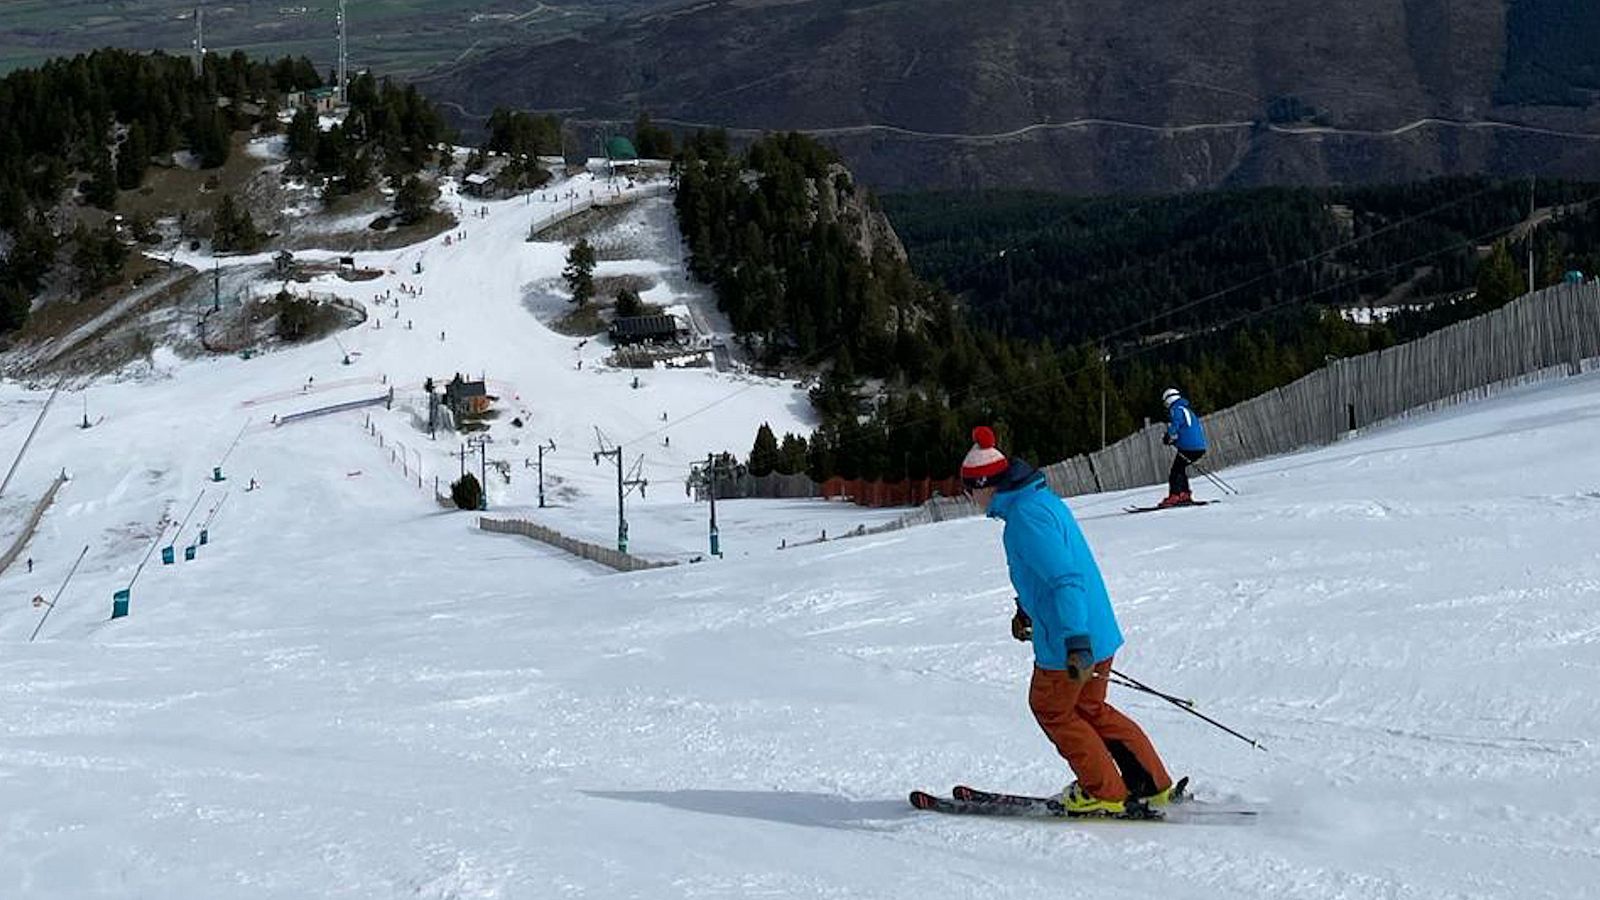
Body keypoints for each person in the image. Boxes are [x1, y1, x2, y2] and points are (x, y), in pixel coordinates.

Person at [961, 425, 1176, 815]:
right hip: (1095, 629)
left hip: (1070, 639)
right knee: (1091, 709)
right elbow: (1050, 572)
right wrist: (1027, 610)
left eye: (968, 490)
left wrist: (1076, 640)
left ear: (984, 485)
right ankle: (1151, 784)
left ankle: (1104, 792)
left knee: (1052, 708)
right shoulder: (1039, 501)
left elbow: (1065, 579)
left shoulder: (1025, 518)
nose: (969, 499)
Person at [1158, 387, 1208, 508]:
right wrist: (1175, 441)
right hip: (1199, 447)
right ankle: (1184, 494)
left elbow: (1176, 424)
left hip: (1189, 448)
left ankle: (1174, 496)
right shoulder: (1187, 409)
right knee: (1180, 469)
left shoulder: (1176, 409)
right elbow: (1187, 430)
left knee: (1175, 472)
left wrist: (1168, 436)